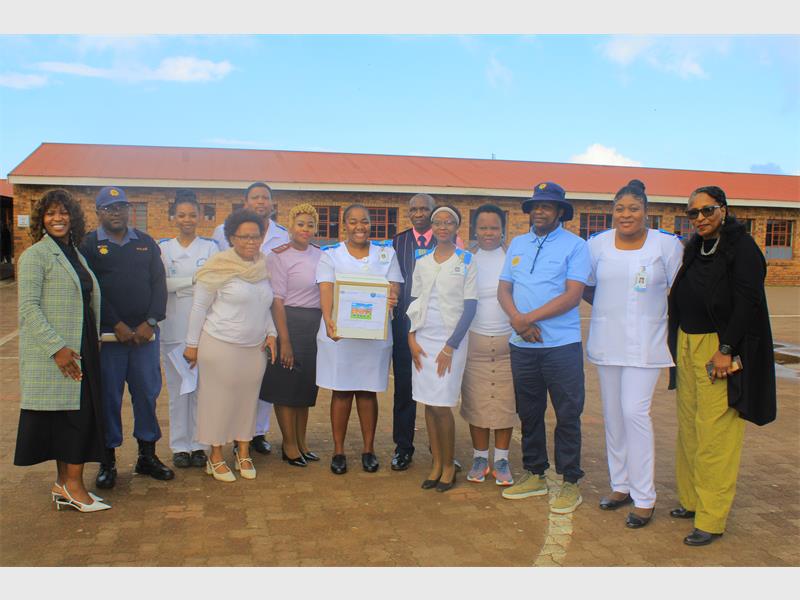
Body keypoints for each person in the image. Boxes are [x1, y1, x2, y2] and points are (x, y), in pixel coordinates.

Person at [667, 185, 776, 546]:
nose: (700, 218)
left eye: (707, 210)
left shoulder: (743, 248)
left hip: (718, 349)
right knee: (690, 428)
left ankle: (712, 518)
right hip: (687, 343)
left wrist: (727, 349)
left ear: (724, 210)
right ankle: (692, 501)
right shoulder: (696, 247)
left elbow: (748, 302)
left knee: (716, 435)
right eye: (693, 213)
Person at [583, 180, 684, 528]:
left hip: (646, 344)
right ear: (613, 212)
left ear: (646, 211)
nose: (626, 215)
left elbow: (680, 291)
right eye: (620, 209)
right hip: (607, 342)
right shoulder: (596, 245)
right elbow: (586, 285)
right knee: (613, 415)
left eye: (633, 208)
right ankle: (620, 484)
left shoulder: (666, 245)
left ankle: (645, 497)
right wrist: (611, 311)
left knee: (634, 413)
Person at [497, 182, 591, 514]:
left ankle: (570, 481)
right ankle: (535, 473)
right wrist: (517, 320)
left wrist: (527, 318)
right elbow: (504, 288)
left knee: (567, 413)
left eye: (547, 206)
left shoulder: (576, 246)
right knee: (530, 411)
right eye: (535, 206)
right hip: (523, 346)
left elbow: (572, 295)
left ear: (560, 212)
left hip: (561, 346)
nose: (539, 211)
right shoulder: (518, 244)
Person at [14, 189, 110, 512]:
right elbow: (28, 309)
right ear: (41, 219)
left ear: (73, 217)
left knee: (75, 416)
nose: (58, 218)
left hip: (82, 347)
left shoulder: (74, 254)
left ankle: (63, 485)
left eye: (64, 212)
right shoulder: (35, 256)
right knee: (73, 419)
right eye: (51, 213)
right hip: (60, 352)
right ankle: (73, 486)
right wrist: (57, 349)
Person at [80, 186, 173, 489]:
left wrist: (150, 321)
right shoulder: (90, 246)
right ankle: (108, 461)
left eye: (121, 207)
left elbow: (159, 284)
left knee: (146, 394)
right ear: (99, 213)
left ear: (128, 210)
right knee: (108, 398)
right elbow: (91, 289)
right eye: (109, 208)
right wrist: (115, 323)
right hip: (109, 339)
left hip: (145, 337)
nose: (116, 213)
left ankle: (147, 456)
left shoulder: (145, 243)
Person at [183, 210, 278, 482]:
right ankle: (215, 456)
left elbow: (264, 304)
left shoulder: (262, 265)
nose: (251, 241)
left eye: (256, 236)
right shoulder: (217, 266)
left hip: (254, 348)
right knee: (218, 401)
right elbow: (199, 307)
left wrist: (271, 332)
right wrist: (192, 345)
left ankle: (243, 452)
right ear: (231, 237)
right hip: (220, 344)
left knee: (248, 401)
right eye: (244, 236)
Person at [316, 204, 402, 475]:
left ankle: (368, 449)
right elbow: (326, 290)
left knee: (367, 392)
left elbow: (394, 287)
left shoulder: (386, 253)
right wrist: (330, 320)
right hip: (340, 334)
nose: (359, 227)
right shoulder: (330, 254)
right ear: (345, 226)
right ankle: (339, 451)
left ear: (370, 224)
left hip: (373, 336)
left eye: (364, 221)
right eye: (353, 222)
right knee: (340, 391)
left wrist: (393, 297)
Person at [213, 181, 288, 456]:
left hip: (268, 307)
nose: (260, 202)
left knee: (263, 372)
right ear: (245, 202)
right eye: (255, 197)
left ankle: (258, 432)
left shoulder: (283, 234)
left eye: (265, 198)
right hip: (235, 308)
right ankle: (235, 433)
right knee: (235, 376)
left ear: (272, 203)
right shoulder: (223, 232)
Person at [408, 206, 477, 493]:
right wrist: (411, 338)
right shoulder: (422, 261)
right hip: (423, 338)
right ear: (431, 227)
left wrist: (450, 346)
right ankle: (436, 463)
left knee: (443, 403)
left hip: (451, 341)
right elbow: (414, 302)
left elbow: (471, 307)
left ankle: (449, 465)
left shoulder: (467, 260)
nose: (443, 226)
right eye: (438, 222)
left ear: (457, 227)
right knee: (427, 401)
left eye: (449, 222)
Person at [158, 189, 219, 469]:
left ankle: (199, 444)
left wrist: (182, 282)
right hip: (172, 330)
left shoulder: (210, 248)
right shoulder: (163, 249)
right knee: (177, 390)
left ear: (200, 217)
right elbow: (161, 286)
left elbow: (214, 284)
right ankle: (180, 446)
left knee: (201, 391)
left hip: (205, 331)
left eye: (192, 215)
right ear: (172, 217)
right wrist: (194, 280)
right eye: (181, 215)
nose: (187, 220)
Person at [260, 203, 323, 466]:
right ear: (290, 226)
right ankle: (288, 444)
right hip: (288, 321)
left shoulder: (321, 255)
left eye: (310, 225)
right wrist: (284, 340)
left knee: (305, 386)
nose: (305, 229)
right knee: (286, 385)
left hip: (313, 324)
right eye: (300, 224)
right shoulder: (278, 256)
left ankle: (302, 440)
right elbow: (276, 300)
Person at [460, 205, 518, 487]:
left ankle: (502, 460)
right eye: (483, 227)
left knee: (506, 402)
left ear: (502, 230)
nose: (488, 233)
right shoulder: (466, 259)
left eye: (494, 228)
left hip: (509, 340)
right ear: (474, 230)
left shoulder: (513, 258)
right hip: (474, 340)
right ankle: (480, 457)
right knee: (477, 400)